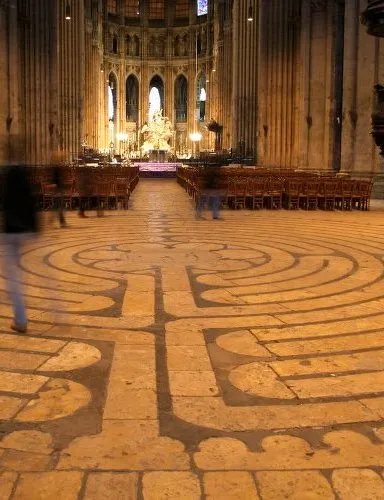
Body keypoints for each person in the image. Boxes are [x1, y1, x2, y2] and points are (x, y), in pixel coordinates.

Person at [2, 164, 39, 333]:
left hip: (10, 233)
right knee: (15, 274)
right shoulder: (25, 179)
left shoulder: (7, 180)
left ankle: (20, 319)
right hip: (25, 231)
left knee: (13, 279)